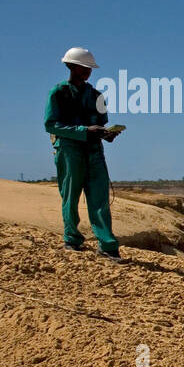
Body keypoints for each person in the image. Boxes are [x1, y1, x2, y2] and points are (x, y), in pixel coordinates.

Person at [45, 48, 122, 261]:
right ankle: (72, 238)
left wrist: (107, 135)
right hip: (69, 151)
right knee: (70, 195)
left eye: (90, 68)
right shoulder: (58, 93)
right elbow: (51, 125)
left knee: (99, 198)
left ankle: (107, 245)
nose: (88, 71)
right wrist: (83, 131)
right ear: (72, 67)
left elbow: (101, 124)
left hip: (94, 151)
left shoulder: (97, 96)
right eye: (84, 67)